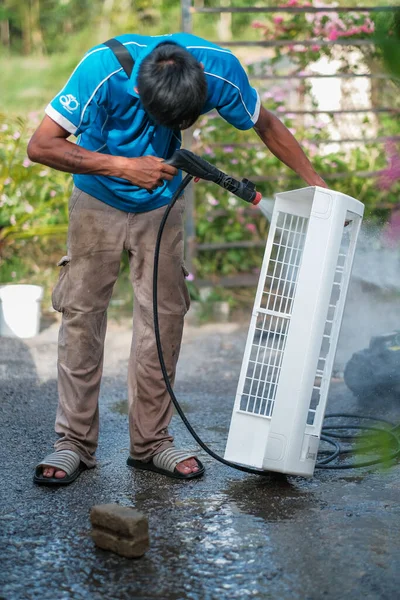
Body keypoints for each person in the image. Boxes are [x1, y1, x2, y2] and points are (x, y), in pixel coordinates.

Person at [28, 32, 327, 486]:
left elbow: (265, 123)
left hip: (162, 205)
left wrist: (318, 185)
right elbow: (41, 146)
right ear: (141, 93)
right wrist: (123, 166)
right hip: (97, 199)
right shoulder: (101, 69)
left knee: (164, 319)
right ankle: (74, 443)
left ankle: (150, 444)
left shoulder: (218, 70)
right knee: (81, 316)